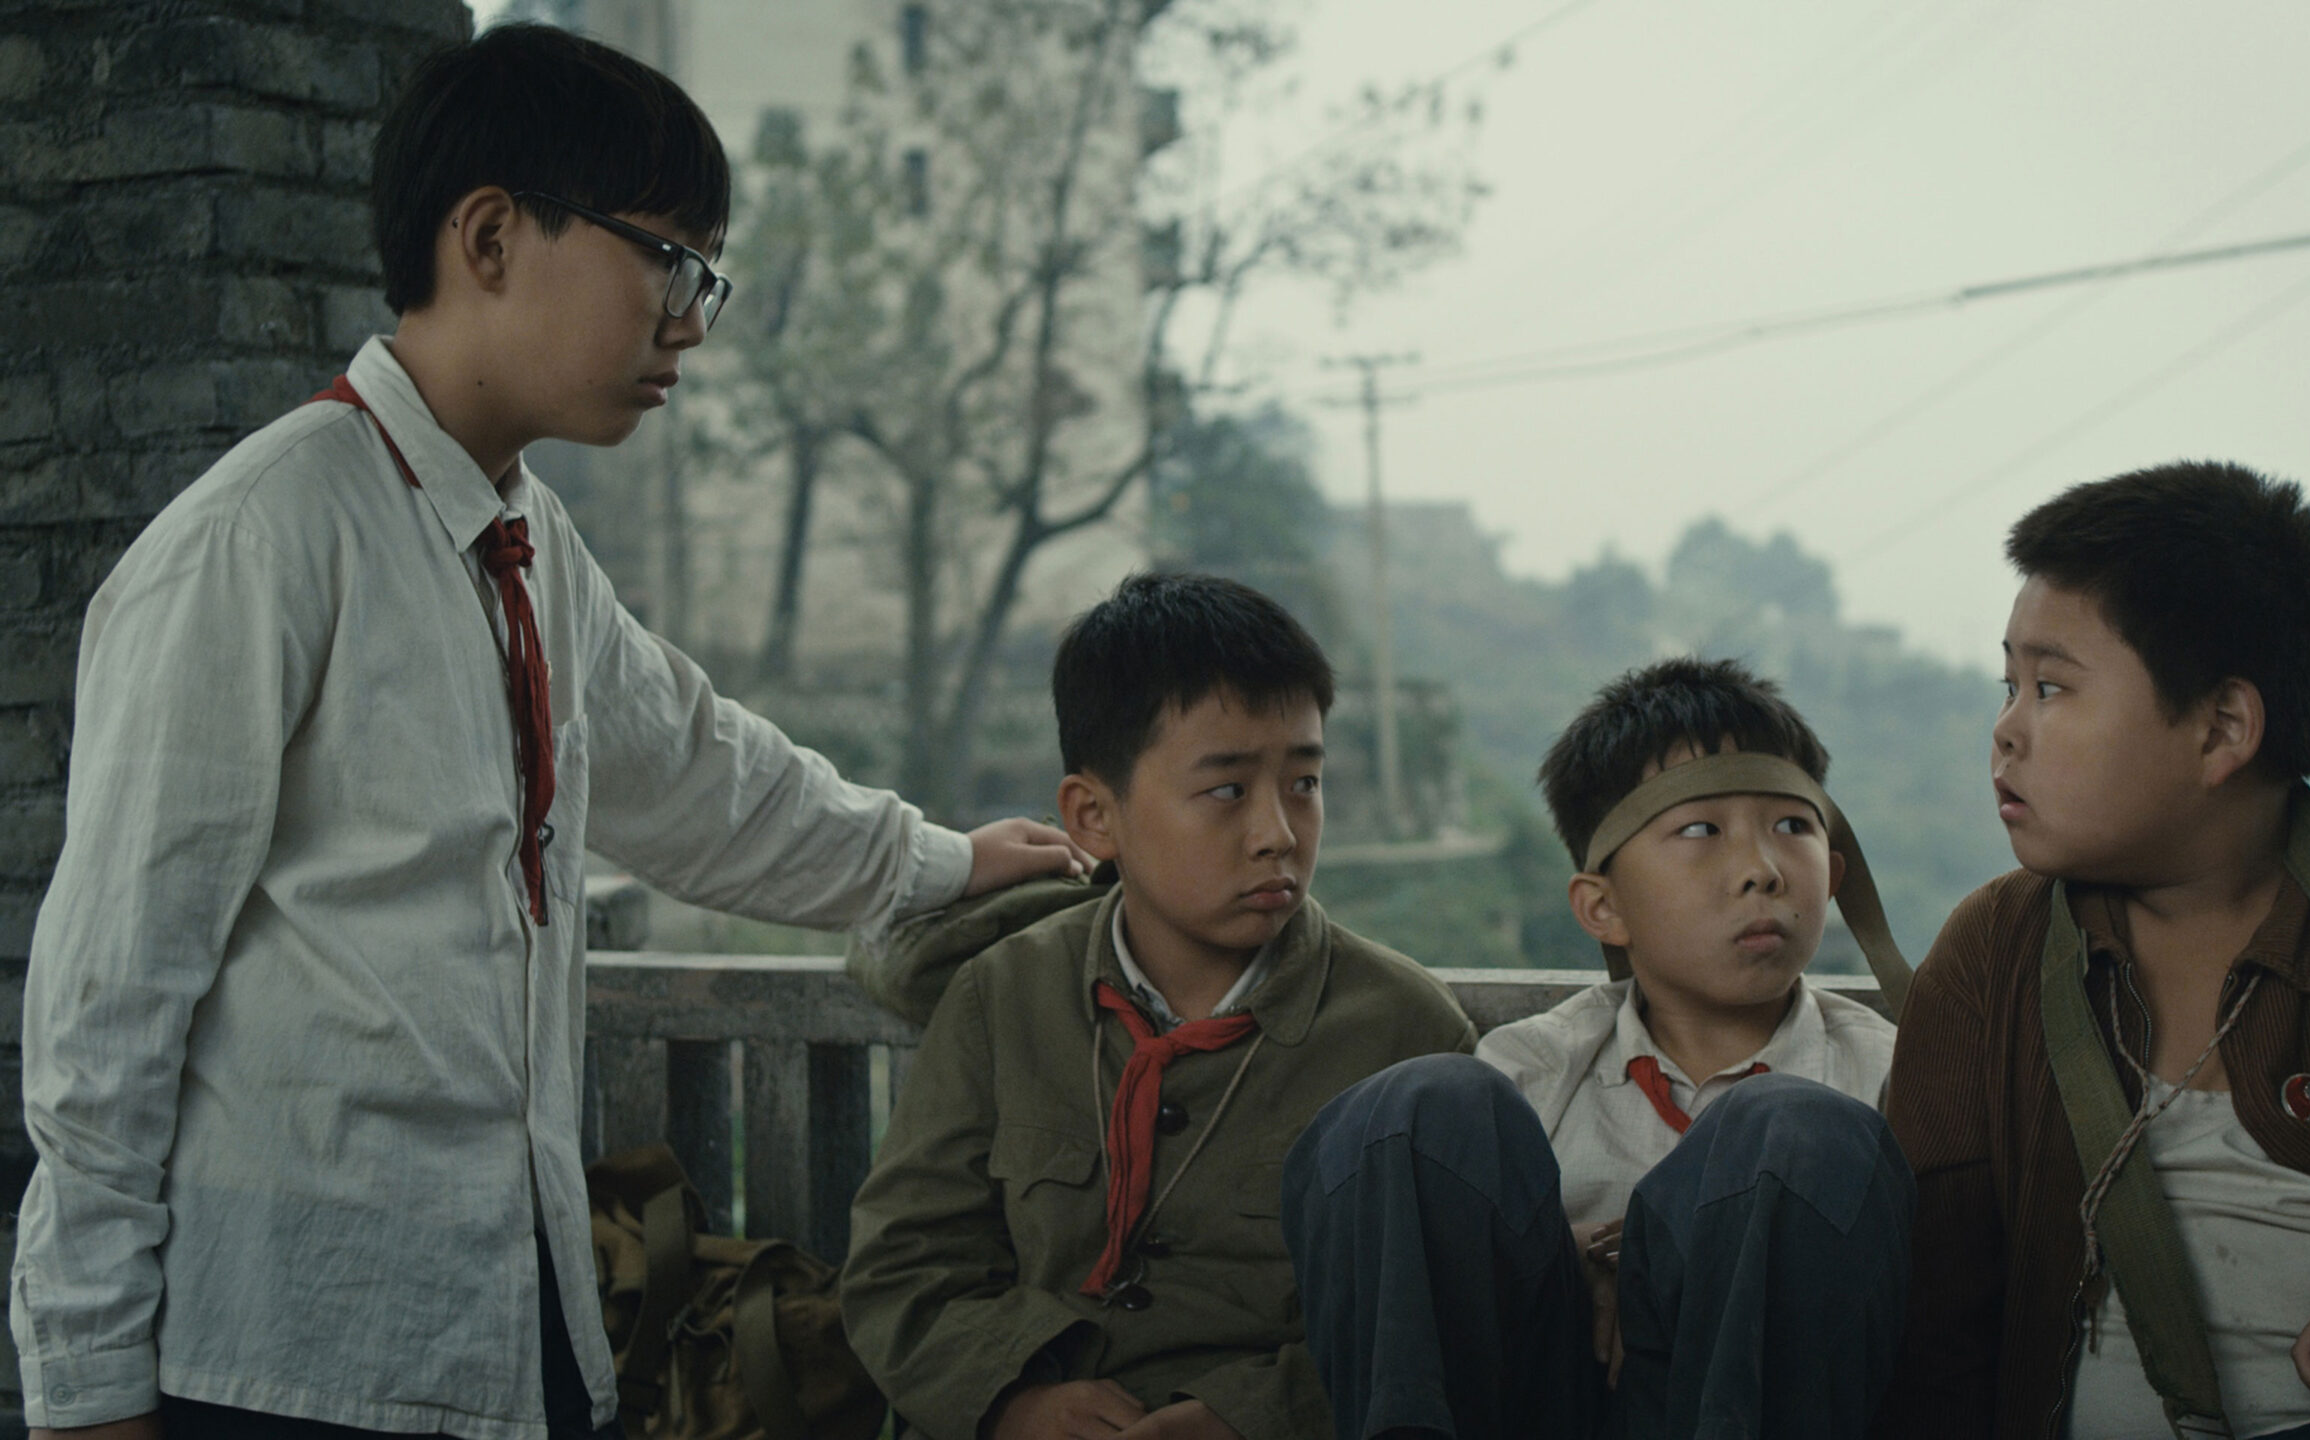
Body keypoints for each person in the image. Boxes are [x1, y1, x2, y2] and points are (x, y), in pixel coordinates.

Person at [8, 24, 1085, 1440]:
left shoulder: (527, 542)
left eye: (706, 278)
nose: (690, 322)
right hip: (287, 1357)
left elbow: (699, 775)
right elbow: (109, 1005)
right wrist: (88, 1388)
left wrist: (943, 863)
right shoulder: (258, 542)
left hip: (518, 1327)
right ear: (492, 237)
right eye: (668, 261)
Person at [1878, 460, 2310, 1437]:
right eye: (2009, 685)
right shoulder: (1993, 954)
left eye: (2051, 688)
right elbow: (1937, 1326)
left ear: (2222, 730)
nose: (2005, 733)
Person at [840, 572, 1477, 1440]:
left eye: (1304, 783)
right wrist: (1014, 1402)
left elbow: (1437, 1320)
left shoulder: (1403, 1034)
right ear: (1093, 816)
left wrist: (1248, 1417)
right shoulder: (1005, 994)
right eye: (1227, 790)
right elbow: (904, 1266)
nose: (1278, 834)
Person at [1282, 656, 1915, 1440]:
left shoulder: (1889, 1078)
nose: (1763, 870)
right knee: (1418, 1108)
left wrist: (1659, 1262)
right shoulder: (1532, 1070)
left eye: (1793, 827)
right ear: (1602, 908)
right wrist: (1573, 1257)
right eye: (1701, 830)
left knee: (1794, 1131)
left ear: (1835, 871)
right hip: (1546, 1405)